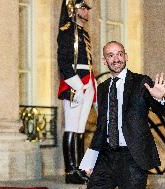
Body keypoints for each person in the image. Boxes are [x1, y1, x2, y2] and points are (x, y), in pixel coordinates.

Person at [79, 41, 165, 189]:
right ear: (104, 60)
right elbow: (102, 127)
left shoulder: (141, 82)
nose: (116, 59)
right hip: (106, 156)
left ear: (126, 57)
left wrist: (158, 98)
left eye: (120, 54)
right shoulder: (102, 88)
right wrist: (90, 159)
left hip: (133, 157)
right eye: (111, 55)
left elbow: (161, 111)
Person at [57, 0, 96, 184]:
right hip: (75, 83)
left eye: (86, 8)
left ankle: (80, 168)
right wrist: (77, 85)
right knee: (72, 127)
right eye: (82, 8)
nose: (86, 11)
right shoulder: (67, 30)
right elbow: (64, 62)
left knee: (81, 128)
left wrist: (91, 84)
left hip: (88, 81)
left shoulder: (84, 33)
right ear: (73, 9)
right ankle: (70, 171)